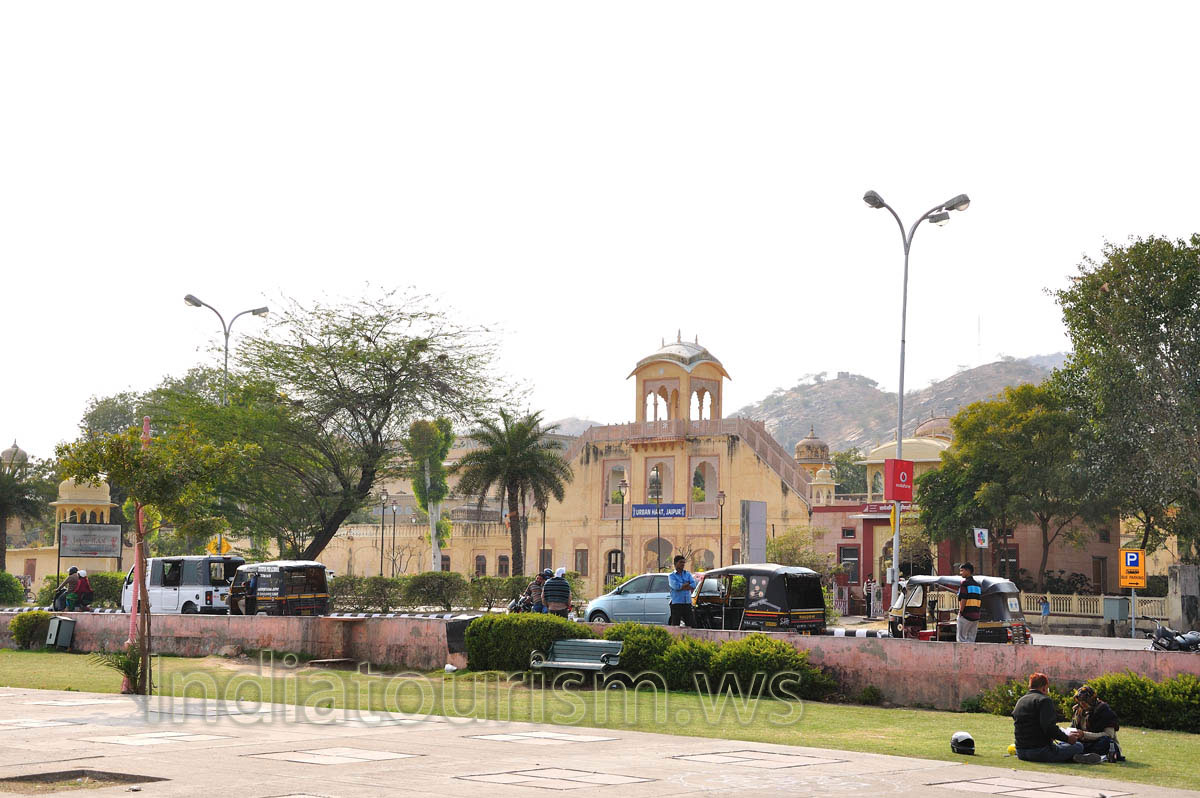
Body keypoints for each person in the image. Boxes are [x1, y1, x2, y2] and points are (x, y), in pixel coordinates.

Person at [1012, 672, 1100, 764]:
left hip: (1021, 752)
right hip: (1040, 752)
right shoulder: (1044, 700)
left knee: (1063, 746)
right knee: (1078, 746)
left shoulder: (1021, 701)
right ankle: (1073, 757)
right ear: (1044, 687)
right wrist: (1068, 739)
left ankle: (1071, 757)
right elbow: (1049, 728)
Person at [1071, 685, 1122, 760]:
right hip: (1085, 743)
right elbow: (1073, 728)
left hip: (1102, 744)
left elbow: (1108, 735)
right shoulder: (1078, 711)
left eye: (1085, 701)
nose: (1082, 704)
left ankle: (1085, 755)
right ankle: (1081, 754)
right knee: (1070, 742)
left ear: (1092, 699)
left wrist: (1084, 734)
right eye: (1080, 701)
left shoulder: (1105, 711)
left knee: (1105, 741)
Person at [667, 554, 696, 627]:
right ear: (675, 563)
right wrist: (686, 585)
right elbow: (676, 587)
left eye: (684, 562)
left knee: (691, 625)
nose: (683, 564)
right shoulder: (671, 576)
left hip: (687, 603)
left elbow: (693, 585)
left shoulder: (688, 574)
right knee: (675, 625)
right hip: (677, 603)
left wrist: (682, 586)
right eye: (681, 562)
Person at [956, 562, 982, 643]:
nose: (960, 573)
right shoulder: (977, 585)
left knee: (961, 639)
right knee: (971, 639)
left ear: (968, 571)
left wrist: (961, 612)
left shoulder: (964, 583)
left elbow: (964, 598)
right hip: (976, 616)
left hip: (966, 615)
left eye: (962, 571)